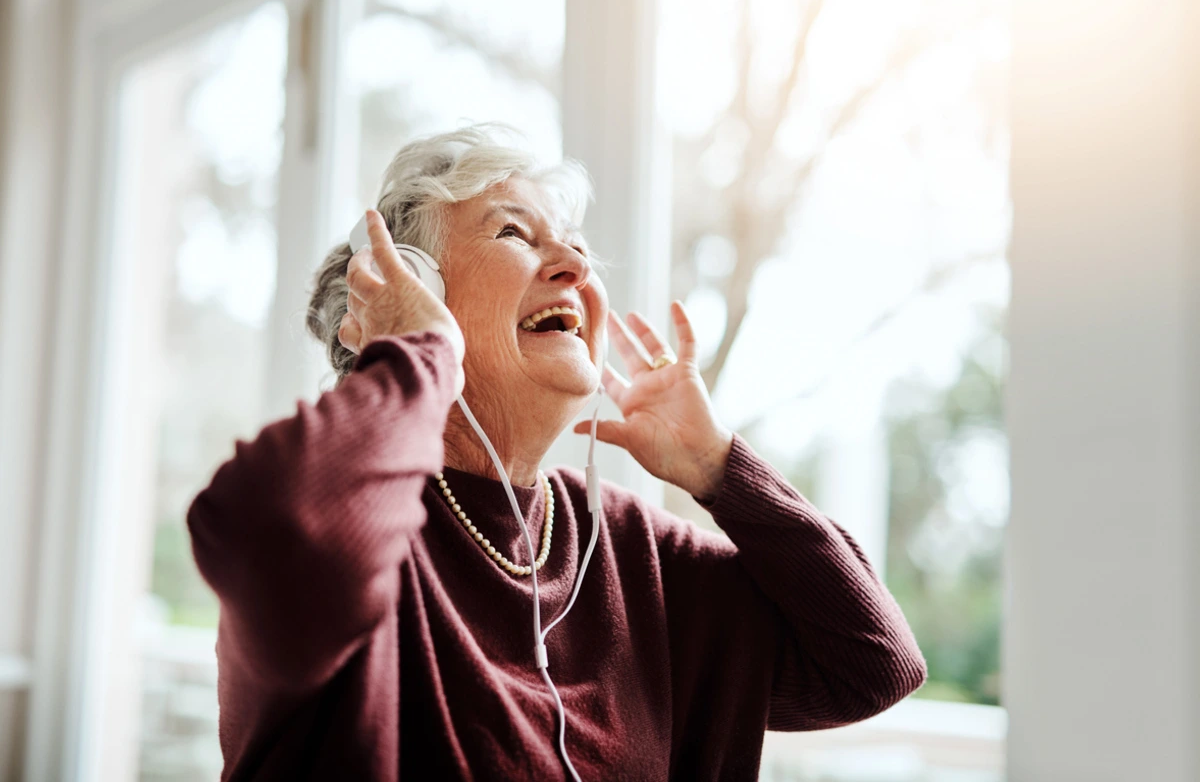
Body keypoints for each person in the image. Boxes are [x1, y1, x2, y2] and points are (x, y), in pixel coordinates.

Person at [187, 125, 926, 781]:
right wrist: (416, 355)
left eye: (574, 245)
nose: (573, 266)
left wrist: (721, 470)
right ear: (411, 289)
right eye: (515, 233)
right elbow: (262, 533)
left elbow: (871, 664)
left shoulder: (629, 544)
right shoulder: (339, 513)